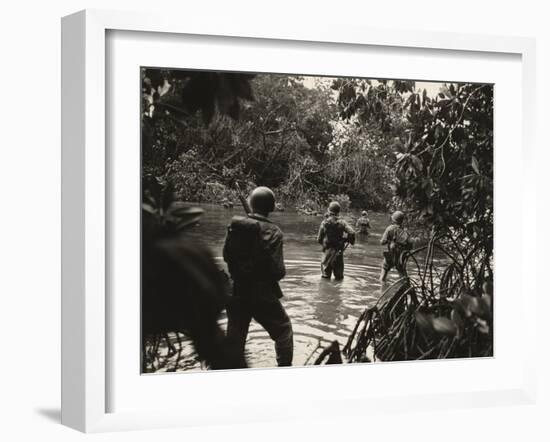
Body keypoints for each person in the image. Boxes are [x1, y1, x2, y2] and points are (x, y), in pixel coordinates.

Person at [223, 186, 293, 367]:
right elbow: (278, 271)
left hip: (235, 291)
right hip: (262, 294)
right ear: (272, 207)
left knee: (235, 339)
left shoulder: (235, 227)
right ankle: (285, 371)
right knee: (284, 331)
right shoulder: (275, 231)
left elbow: (225, 256)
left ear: (251, 204)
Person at [317, 201, 355, 280]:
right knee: (339, 278)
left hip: (327, 254)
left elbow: (319, 239)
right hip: (338, 253)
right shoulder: (342, 223)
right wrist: (346, 240)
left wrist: (324, 245)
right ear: (338, 212)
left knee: (325, 278)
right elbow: (352, 232)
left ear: (329, 211)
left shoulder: (324, 223)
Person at [379, 210, 414, 282]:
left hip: (391, 254)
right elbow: (410, 245)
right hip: (401, 256)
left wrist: (388, 241)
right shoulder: (405, 231)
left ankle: (382, 288)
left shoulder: (390, 228)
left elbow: (382, 242)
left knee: (384, 272)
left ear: (393, 219)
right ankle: (406, 288)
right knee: (402, 275)